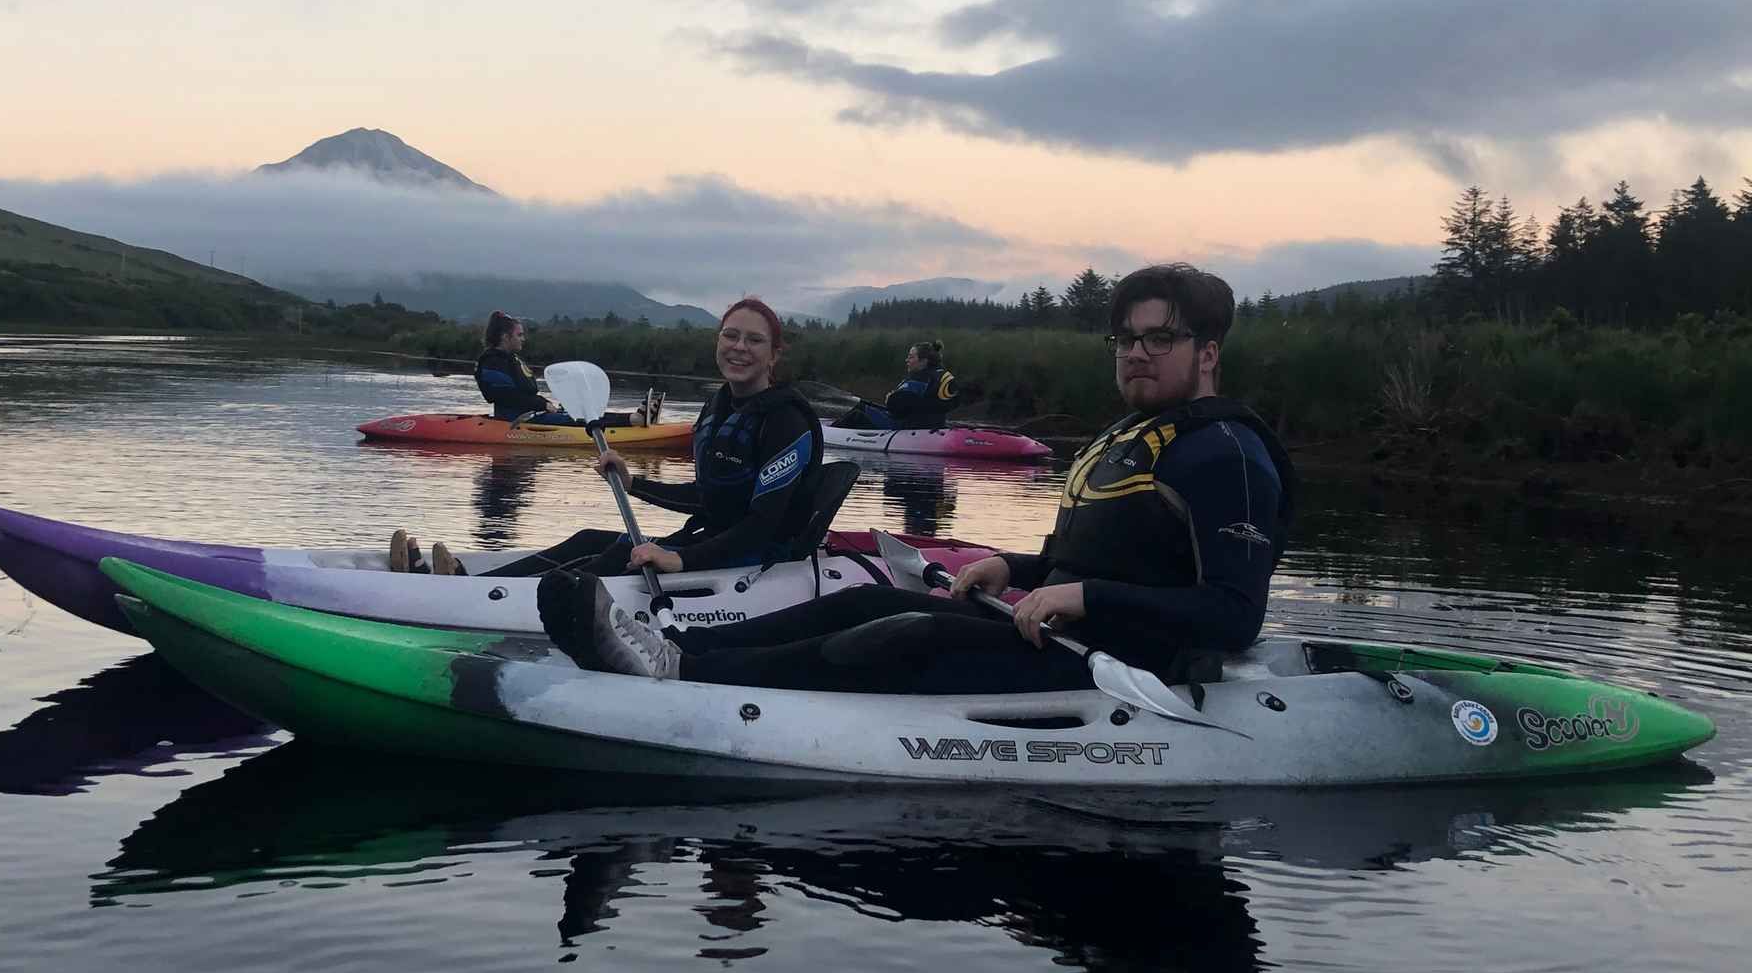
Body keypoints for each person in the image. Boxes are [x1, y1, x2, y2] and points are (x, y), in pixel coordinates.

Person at [538, 263, 1295, 693]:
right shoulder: (1134, 437)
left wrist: (1082, 595)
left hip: (1125, 664)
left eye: (1158, 338)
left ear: (1209, 350)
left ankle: (685, 673)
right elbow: (1084, 569)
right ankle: (681, 656)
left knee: (908, 630)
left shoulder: (1225, 453)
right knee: (872, 595)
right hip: (1063, 628)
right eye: (1124, 338)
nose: (1135, 353)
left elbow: (1233, 617)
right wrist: (1016, 567)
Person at [415, 297, 826, 579]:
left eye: (754, 340)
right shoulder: (720, 406)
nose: (739, 348)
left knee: (612, 556)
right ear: (718, 341)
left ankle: (468, 592)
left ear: (773, 355)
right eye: (730, 336)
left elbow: (762, 525)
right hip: (709, 543)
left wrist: (679, 559)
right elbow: (708, 496)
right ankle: (463, 578)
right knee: (589, 539)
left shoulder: (786, 421)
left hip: (754, 562)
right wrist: (635, 484)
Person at [474, 311, 661, 428]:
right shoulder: (493, 362)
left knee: (577, 411)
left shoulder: (510, 359)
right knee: (576, 418)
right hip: (514, 420)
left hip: (529, 414)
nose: (523, 339)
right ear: (506, 337)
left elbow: (521, 395)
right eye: (519, 335)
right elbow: (504, 396)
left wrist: (543, 404)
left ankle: (634, 418)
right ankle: (634, 420)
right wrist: (542, 404)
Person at [831, 340, 962, 430]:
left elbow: (895, 408)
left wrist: (890, 399)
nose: (907, 360)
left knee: (860, 410)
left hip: (907, 426)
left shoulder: (919, 378)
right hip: (934, 424)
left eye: (911, 357)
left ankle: (829, 432)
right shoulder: (944, 375)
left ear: (923, 361)